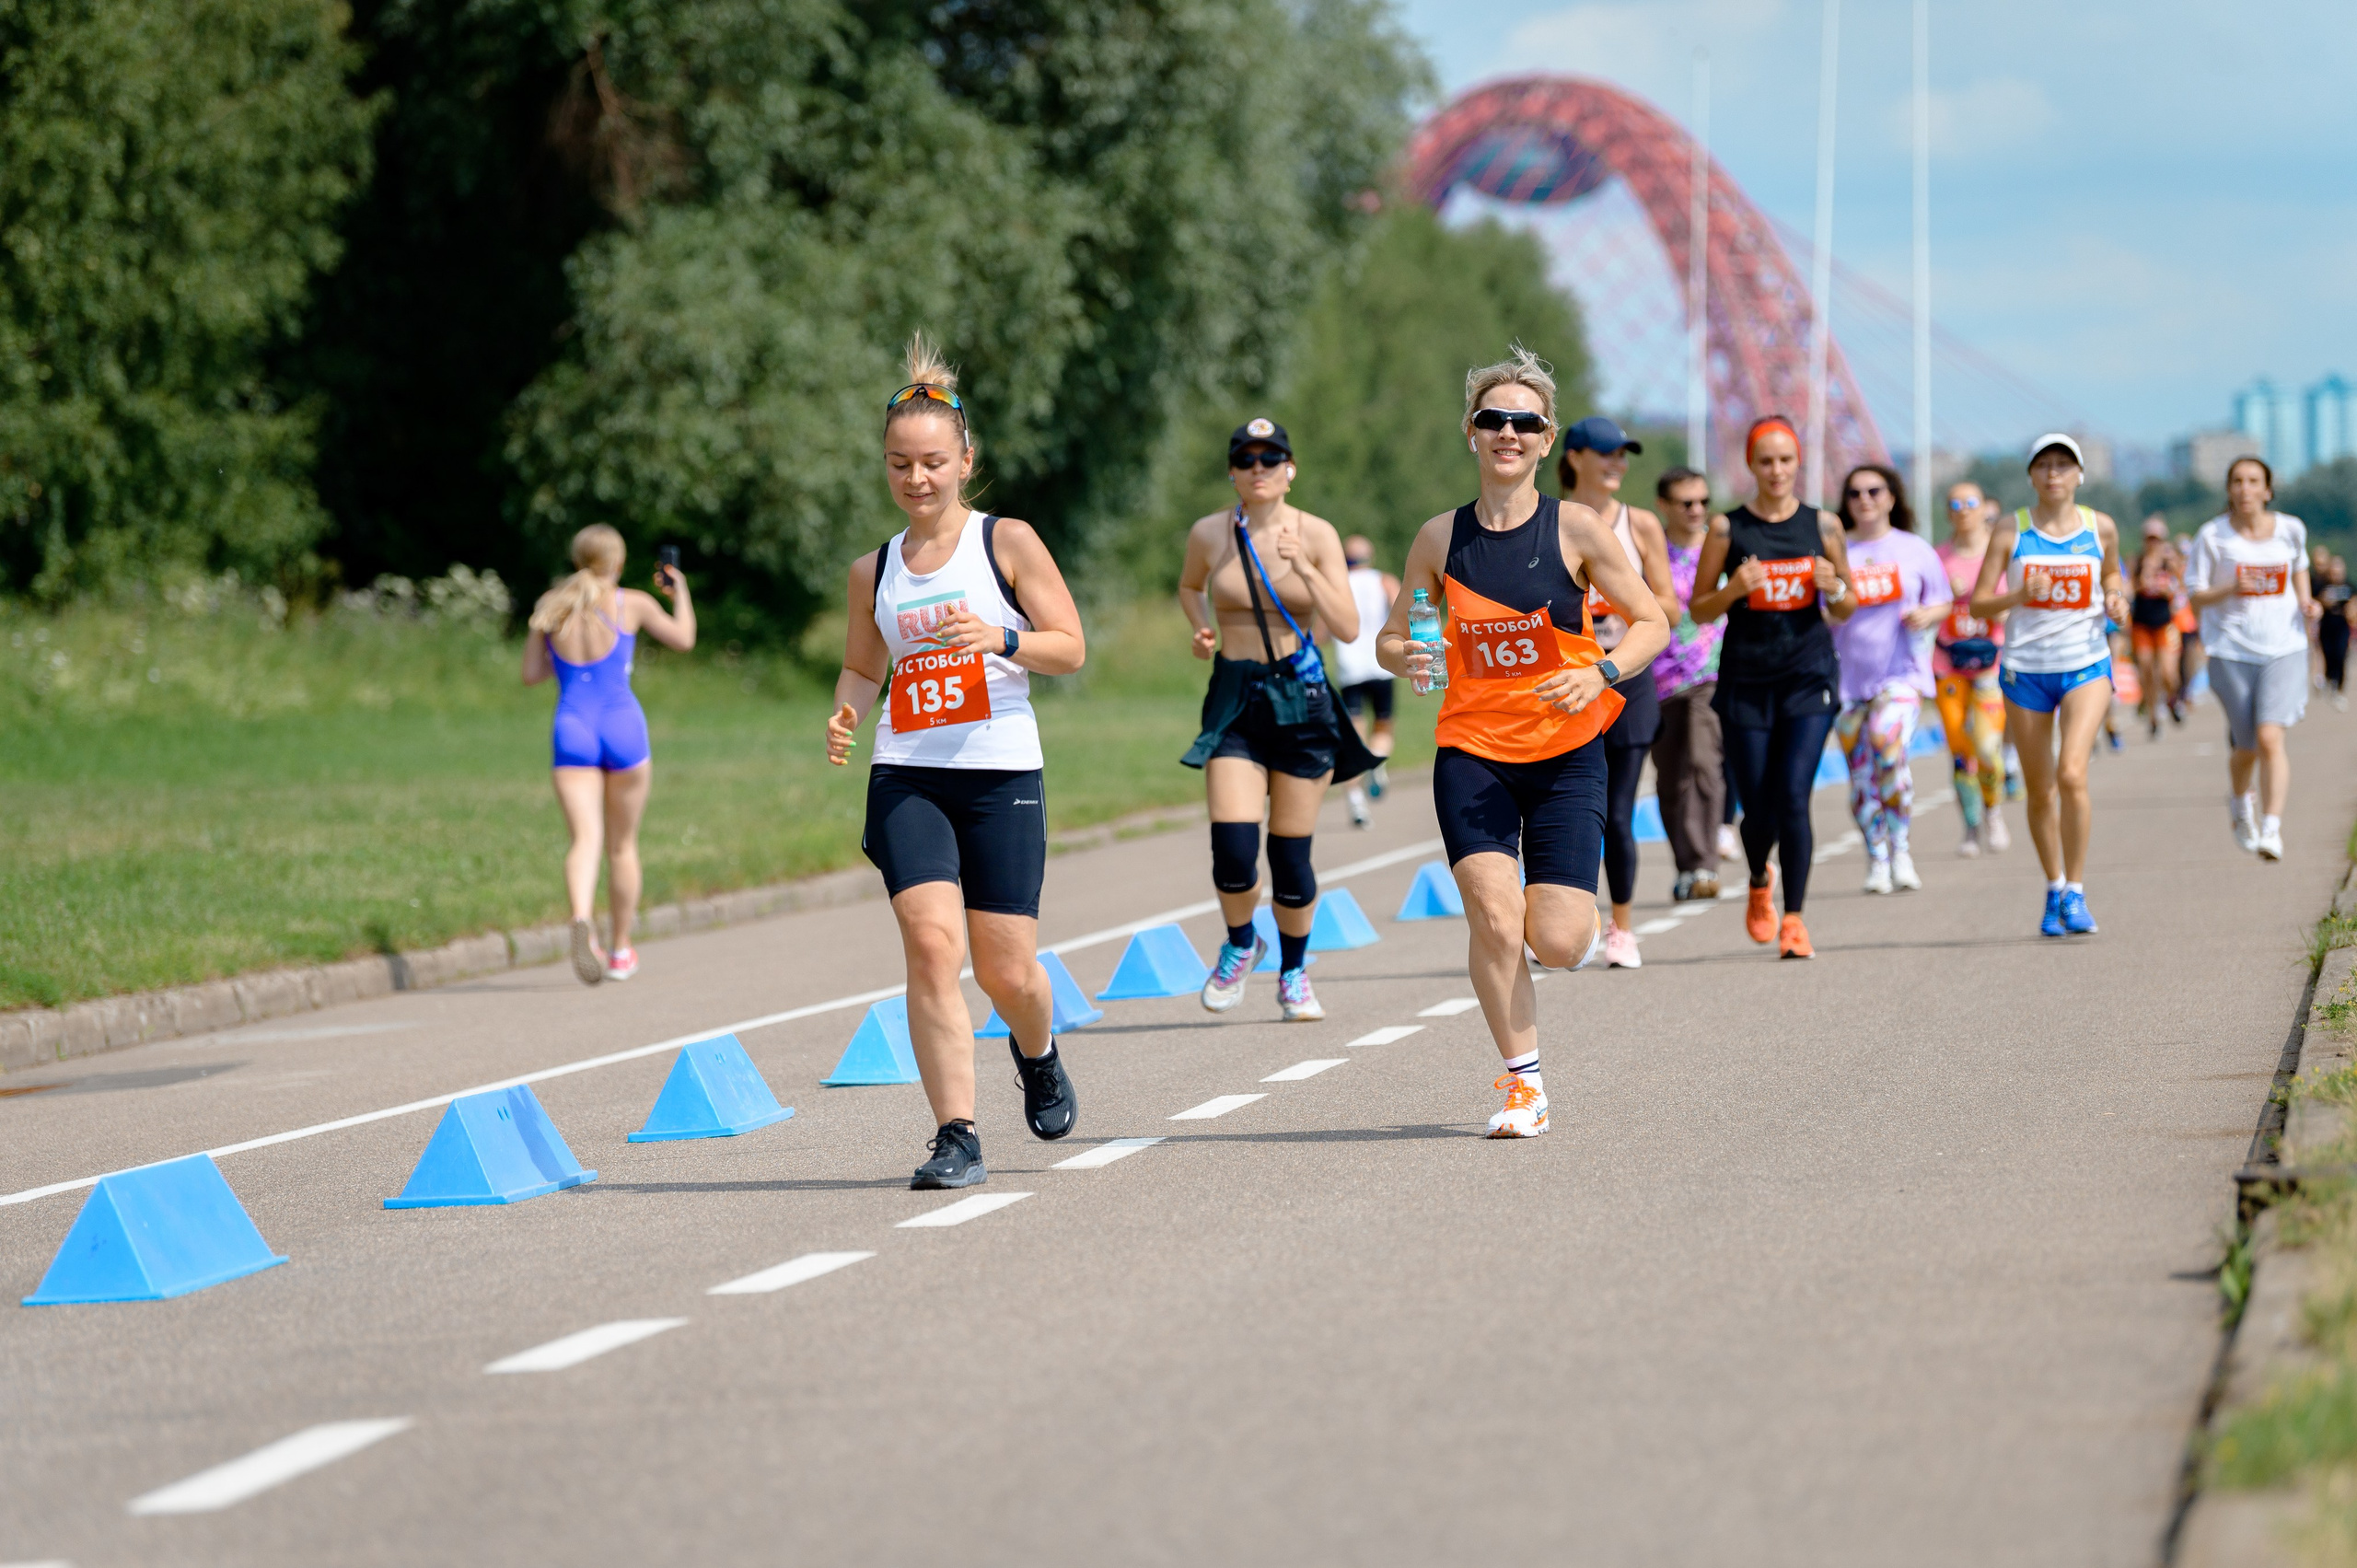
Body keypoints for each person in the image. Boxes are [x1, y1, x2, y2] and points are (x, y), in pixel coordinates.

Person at [1375, 347, 1668, 1138]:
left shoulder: (1574, 528)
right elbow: (1392, 639)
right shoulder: (1440, 539)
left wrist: (1601, 673)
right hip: (1472, 750)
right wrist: (1412, 654)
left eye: (1524, 422)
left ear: (1546, 440)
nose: (1508, 432)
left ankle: (1531, 946)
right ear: (1469, 433)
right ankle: (1522, 1083)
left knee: (1562, 941)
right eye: (1492, 419)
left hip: (1569, 752)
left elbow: (1653, 622)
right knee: (1497, 921)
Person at [825, 337, 1088, 1190]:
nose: (917, 479)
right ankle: (957, 1135)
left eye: (933, 462)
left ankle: (1037, 1048)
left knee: (1007, 968)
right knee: (932, 947)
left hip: (1002, 773)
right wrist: (847, 711)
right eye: (900, 464)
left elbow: (1070, 647)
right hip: (909, 772)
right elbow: (867, 664)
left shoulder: (1006, 541)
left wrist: (1002, 636)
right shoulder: (875, 569)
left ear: (966, 459)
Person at [1178, 418, 1378, 1022]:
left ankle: (1294, 970)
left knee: (1290, 856)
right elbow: (1190, 587)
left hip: (1301, 699)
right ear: (1233, 471)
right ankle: (1242, 943)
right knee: (1234, 850)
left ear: (1291, 468)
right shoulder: (1211, 533)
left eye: (1272, 459)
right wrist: (1199, 625)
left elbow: (1346, 626)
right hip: (1237, 698)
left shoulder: (1315, 533)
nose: (1258, 469)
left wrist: (1309, 568)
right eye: (1246, 459)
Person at [1687, 415, 1858, 958]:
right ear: (1751, 466)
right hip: (1746, 679)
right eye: (1766, 461)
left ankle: (1796, 918)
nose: (1777, 470)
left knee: (1792, 797)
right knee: (1757, 805)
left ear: (1798, 462)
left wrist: (1836, 589)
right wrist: (1734, 588)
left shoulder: (1825, 526)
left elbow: (1848, 605)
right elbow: (1698, 607)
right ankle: (1760, 876)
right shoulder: (1726, 528)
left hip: (1808, 676)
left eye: (1786, 460)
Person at [522, 524, 696, 986]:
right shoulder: (630, 603)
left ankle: (582, 918)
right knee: (622, 847)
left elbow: (531, 674)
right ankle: (621, 949)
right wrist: (680, 593)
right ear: (617, 563)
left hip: (573, 727)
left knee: (585, 840)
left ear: (577, 558)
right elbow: (683, 639)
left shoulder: (550, 605)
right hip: (623, 727)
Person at [1968, 434, 2127, 935]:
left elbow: (2112, 580)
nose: (2054, 473)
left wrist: (2117, 601)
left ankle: (2077, 892)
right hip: (2025, 669)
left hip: (2085, 663)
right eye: (2044, 465)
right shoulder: (2010, 531)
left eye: (2064, 465)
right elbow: (1977, 604)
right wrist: (2018, 593)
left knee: (2072, 774)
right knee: (2040, 791)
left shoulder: (2099, 527)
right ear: (2032, 476)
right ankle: (2053, 885)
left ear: (2080, 475)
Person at [1558, 415, 1678, 968]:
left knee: (1619, 812)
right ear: (1574, 456)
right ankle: (1566, 923)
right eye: (1606, 454)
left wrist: (1619, 597)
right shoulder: (1548, 521)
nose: (1616, 465)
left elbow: (1668, 609)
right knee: (1559, 812)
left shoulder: (1642, 525)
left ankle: (1622, 927)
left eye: (1623, 455)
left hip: (1628, 681)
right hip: (1562, 684)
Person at [2184, 457, 2318, 862]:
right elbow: (2195, 595)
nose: (2245, 489)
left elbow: (2300, 572)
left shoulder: (2291, 529)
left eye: (2253, 481)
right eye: (2237, 481)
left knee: (2269, 737)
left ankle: (2272, 827)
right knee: (2245, 746)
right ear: (2229, 490)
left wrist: (2308, 603)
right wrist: (2229, 588)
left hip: (2285, 647)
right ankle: (2241, 802)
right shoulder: (2213, 536)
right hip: (2231, 650)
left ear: (2268, 490)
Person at [1831, 464, 1949, 893]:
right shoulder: (1835, 549)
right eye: (1855, 493)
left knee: (1886, 743)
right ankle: (1877, 856)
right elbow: (1822, 613)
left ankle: (1901, 848)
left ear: (1892, 497)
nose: (1865, 500)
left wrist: (1926, 615)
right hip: (1847, 682)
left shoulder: (1915, 549)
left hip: (1901, 676)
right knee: (1862, 777)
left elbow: (1943, 602)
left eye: (1874, 491)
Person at [1648, 465, 1727, 901]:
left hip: (1711, 674)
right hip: (1657, 678)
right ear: (1664, 505)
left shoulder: (1720, 547)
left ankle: (1705, 864)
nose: (1697, 510)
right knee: (1670, 778)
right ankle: (1686, 867)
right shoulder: (1649, 550)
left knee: (1703, 761)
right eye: (1686, 503)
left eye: (1703, 502)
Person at [1934, 483, 2011, 856]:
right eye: (1955, 504)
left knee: (1986, 746)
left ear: (1984, 509)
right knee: (1960, 749)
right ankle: (1970, 824)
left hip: (1988, 664)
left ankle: (1993, 810)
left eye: (1970, 503)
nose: (1963, 510)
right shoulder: (1938, 557)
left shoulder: (2000, 555)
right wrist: (1947, 597)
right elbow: (1925, 607)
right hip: (1947, 664)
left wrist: (1979, 600)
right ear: (1948, 513)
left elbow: (2012, 607)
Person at [1329, 534, 1400, 829]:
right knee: (1383, 725)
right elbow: (1403, 611)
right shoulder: (1384, 581)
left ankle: (1357, 804)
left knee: (1353, 737)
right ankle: (1378, 759)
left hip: (1350, 670)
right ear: (1369, 558)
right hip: (1381, 665)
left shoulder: (1336, 586)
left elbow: (1322, 628)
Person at [2127, 517, 2186, 738]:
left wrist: (2167, 590)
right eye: (2149, 539)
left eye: (2157, 539)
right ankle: (2153, 716)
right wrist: (2139, 584)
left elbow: (2180, 589)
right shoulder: (2138, 562)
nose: (2153, 543)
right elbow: (2129, 588)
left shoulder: (2168, 562)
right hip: (2142, 622)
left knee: (2168, 672)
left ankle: (2173, 699)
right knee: (2146, 669)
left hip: (2164, 622)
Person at [2318, 555, 2352, 710]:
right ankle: (2329, 678)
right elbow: (2316, 601)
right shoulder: (2323, 586)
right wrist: (2323, 602)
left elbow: (2354, 602)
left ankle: (2339, 689)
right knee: (2329, 655)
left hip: (2342, 626)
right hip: (2326, 626)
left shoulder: (2349, 586)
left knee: (2341, 655)